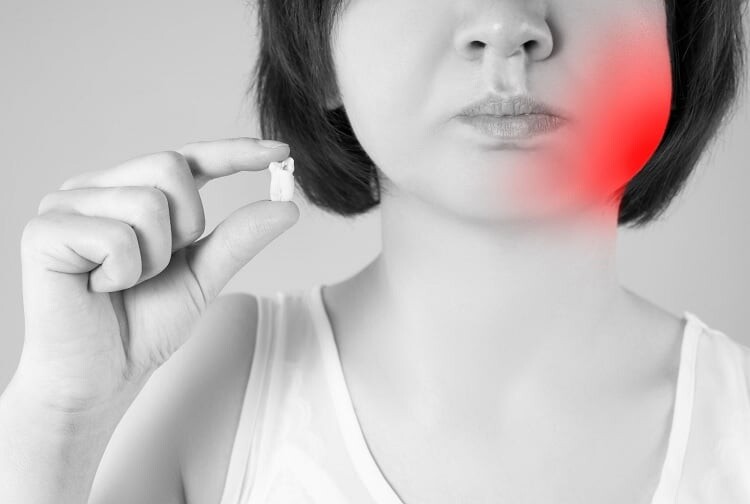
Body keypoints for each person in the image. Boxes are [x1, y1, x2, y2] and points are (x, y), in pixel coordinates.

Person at [1, 0, 748, 502]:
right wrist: (61, 418)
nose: (507, 25)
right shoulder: (207, 383)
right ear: (318, 52)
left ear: (679, 38)